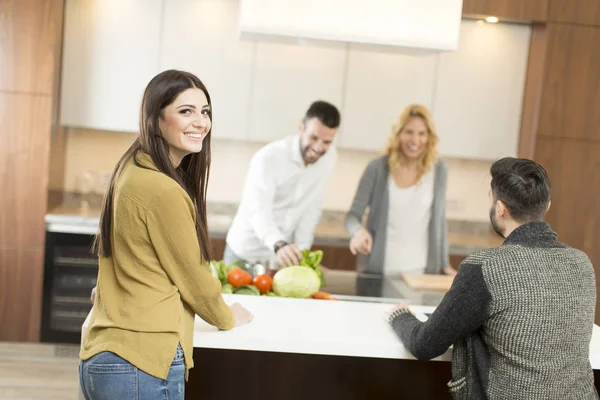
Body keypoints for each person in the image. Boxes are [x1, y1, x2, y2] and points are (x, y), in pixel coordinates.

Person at [79, 70, 253, 400]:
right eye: (185, 111)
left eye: (205, 112)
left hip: (104, 358)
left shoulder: (132, 169)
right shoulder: (162, 190)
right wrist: (228, 316)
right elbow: (196, 281)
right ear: (155, 118)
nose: (200, 122)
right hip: (142, 363)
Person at [388, 157, 598, 399]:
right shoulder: (581, 263)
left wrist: (400, 316)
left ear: (500, 209)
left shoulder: (485, 267)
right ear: (547, 205)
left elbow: (424, 344)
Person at [224, 100, 340, 267]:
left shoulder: (329, 159)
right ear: (301, 127)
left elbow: (311, 208)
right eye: (313, 137)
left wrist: (302, 252)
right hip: (246, 252)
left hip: (280, 258)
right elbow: (258, 209)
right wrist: (278, 243)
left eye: (327, 142)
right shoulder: (269, 158)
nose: (318, 147)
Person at [345, 104, 454, 276]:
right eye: (408, 132)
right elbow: (352, 217)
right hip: (380, 269)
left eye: (421, 134)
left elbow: (440, 222)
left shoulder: (439, 170)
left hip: (421, 272)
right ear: (398, 134)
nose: (415, 140)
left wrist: (444, 264)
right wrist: (358, 232)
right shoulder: (377, 168)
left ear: (429, 137)